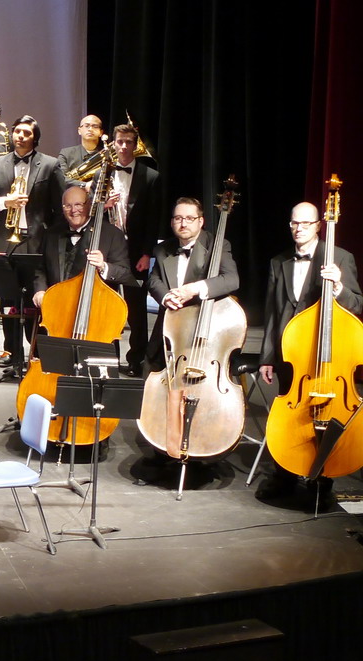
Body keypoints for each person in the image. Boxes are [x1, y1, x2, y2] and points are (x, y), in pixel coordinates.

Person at [256, 201, 363, 501]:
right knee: (292, 418)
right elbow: (272, 313)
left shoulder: (340, 257)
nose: (298, 229)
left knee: (327, 414)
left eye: (305, 224)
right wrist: (267, 357)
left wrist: (339, 286)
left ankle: (323, 476)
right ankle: (285, 473)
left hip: (327, 356)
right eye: (293, 223)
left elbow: (357, 304)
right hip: (292, 356)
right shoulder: (279, 261)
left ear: (318, 225)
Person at [0, 115, 66, 372]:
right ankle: (12, 351)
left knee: (35, 298)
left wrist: (49, 238)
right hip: (5, 241)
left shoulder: (50, 165)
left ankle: (36, 350)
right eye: (17, 131)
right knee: (7, 295)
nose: (20, 136)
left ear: (34, 138)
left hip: (36, 242)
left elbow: (58, 206)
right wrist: (4, 202)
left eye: (26, 133)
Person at [147, 197, 240, 368]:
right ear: (172, 222)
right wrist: (166, 296)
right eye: (178, 218)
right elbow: (153, 280)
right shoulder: (162, 249)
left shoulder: (217, 245)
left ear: (200, 221)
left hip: (203, 332)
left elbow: (232, 279)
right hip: (168, 330)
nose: (183, 224)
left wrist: (195, 289)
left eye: (190, 218)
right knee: (152, 381)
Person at [106, 123, 165, 375]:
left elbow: (154, 218)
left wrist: (146, 253)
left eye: (129, 142)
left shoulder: (150, 176)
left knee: (136, 311)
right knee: (106, 307)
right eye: (119, 141)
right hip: (106, 250)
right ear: (114, 143)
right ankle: (107, 358)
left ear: (136, 145)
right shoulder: (103, 173)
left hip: (134, 252)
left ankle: (135, 359)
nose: (123, 146)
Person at [31, 185, 134, 308]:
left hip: (96, 309)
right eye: (68, 206)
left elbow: (126, 274)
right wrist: (40, 290)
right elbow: (40, 269)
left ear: (89, 205)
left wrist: (103, 266)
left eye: (78, 204)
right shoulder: (51, 234)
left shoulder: (112, 234)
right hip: (57, 307)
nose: (73, 210)